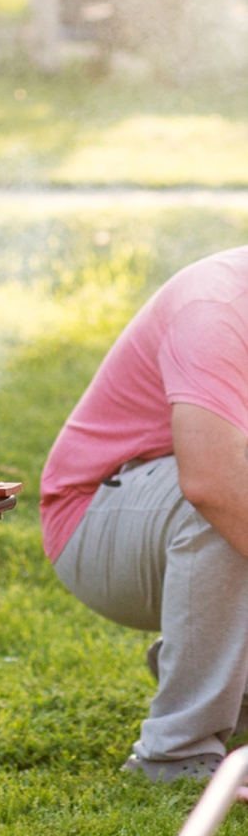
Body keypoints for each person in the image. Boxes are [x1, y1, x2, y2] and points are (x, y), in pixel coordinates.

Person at [42, 247, 248, 783]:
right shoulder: (216, 307)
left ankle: (226, 677)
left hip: (172, 508)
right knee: (227, 502)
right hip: (97, 522)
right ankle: (176, 752)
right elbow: (213, 485)